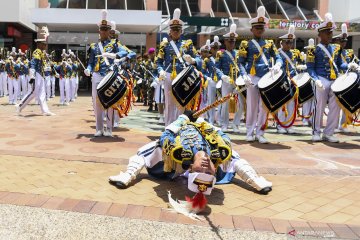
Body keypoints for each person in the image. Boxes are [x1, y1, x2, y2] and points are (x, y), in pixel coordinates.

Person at [109, 110, 272, 217]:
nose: (205, 167)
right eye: (209, 172)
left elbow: (166, 134)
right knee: (233, 156)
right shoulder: (219, 152)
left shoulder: (179, 153)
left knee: (155, 146)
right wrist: (201, 121)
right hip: (199, 125)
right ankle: (256, 179)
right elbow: (220, 133)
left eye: (200, 171)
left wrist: (183, 119)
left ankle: (128, 174)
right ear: (215, 170)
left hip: (180, 134)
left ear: (190, 168)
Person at [238, 6, 283, 143]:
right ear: (252, 29)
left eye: (261, 28)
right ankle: (249, 132)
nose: (259, 30)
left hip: (266, 78)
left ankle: (260, 132)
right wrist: (244, 75)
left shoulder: (270, 43)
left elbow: (278, 57)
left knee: (264, 107)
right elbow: (240, 62)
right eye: (257, 28)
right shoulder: (245, 44)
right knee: (251, 106)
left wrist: (278, 65)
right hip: (252, 77)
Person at [306, 13, 353, 143]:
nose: (330, 35)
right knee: (319, 106)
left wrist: (349, 65)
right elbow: (310, 68)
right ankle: (316, 132)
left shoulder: (336, 48)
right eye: (327, 32)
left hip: (334, 80)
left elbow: (339, 64)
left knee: (335, 106)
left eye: (331, 32)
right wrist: (316, 80)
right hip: (321, 79)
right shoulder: (312, 50)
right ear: (320, 34)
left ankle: (329, 132)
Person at [84, 9, 129, 137]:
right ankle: (99, 128)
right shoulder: (94, 46)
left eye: (105, 29)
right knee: (96, 102)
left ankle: (109, 129)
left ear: (110, 31)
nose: (103, 31)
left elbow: (128, 53)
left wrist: (115, 55)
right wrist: (88, 69)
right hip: (97, 75)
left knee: (110, 101)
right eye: (101, 29)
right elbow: (91, 62)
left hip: (110, 76)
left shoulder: (115, 44)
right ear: (99, 30)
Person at [156, 8, 199, 126]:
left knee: (182, 102)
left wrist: (193, 60)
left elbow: (198, 59)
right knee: (169, 103)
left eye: (178, 29)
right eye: (173, 29)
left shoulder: (188, 44)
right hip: (169, 75)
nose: (175, 32)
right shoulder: (164, 45)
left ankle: (179, 126)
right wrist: (160, 71)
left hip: (183, 76)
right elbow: (159, 62)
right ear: (169, 31)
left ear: (181, 31)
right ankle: (169, 126)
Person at [15, 27, 55, 116]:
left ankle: (45, 111)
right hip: (36, 74)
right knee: (33, 92)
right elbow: (33, 64)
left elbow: (43, 64)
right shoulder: (36, 52)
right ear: (39, 44)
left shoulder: (41, 52)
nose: (45, 45)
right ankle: (20, 106)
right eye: (44, 44)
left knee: (42, 93)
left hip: (41, 75)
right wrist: (32, 76)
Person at [215, 24, 245, 133]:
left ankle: (236, 124)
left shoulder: (238, 53)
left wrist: (243, 77)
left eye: (233, 41)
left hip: (238, 81)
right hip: (227, 81)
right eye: (229, 41)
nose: (232, 43)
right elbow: (217, 68)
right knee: (225, 103)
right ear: (225, 42)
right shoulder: (220, 53)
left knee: (241, 103)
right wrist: (222, 76)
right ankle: (224, 124)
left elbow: (242, 66)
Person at [276, 25, 306, 134]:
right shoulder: (278, 53)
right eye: (287, 42)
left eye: (291, 42)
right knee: (281, 104)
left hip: (293, 80)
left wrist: (301, 67)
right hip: (282, 80)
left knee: (292, 104)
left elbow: (300, 62)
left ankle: (289, 124)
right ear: (282, 43)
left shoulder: (294, 53)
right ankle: (280, 125)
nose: (289, 45)